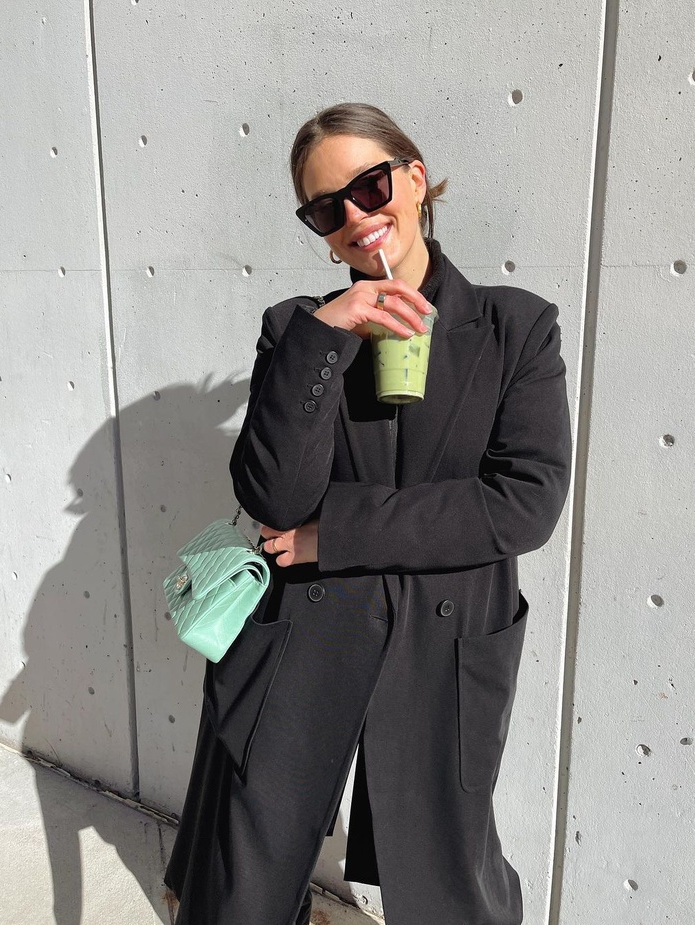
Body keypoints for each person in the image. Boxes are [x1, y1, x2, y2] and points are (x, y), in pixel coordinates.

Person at [164, 103, 572, 925]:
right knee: (249, 861)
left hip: (445, 639)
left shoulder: (516, 327)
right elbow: (273, 496)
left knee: (449, 873)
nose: (354, 215)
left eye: (370, 186)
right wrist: (329, 336)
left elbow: (524, 502)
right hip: (301, 636)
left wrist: (335, 534)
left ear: (414, 180)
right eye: (326, 208)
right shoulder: (297, 329)